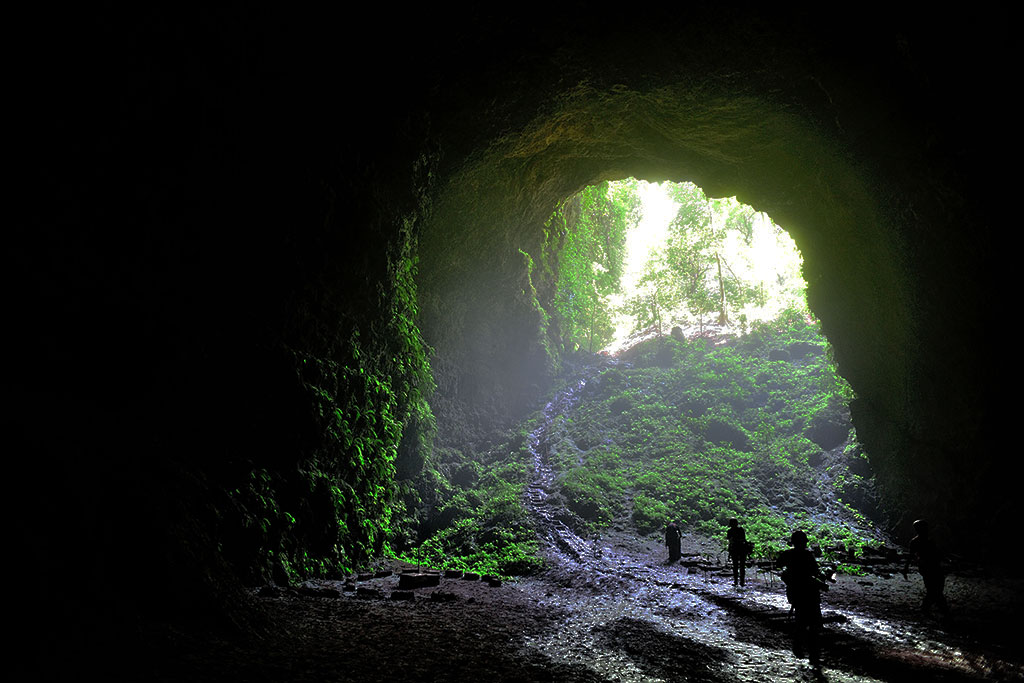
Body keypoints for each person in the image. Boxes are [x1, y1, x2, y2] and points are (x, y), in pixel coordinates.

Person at [777, 530, 825, 659]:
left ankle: (799, 646)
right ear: (804, 542)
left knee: (800, 618)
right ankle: (813, 648)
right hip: (809, 590)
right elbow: (815, 571)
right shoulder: (808, 555)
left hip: (796, 590)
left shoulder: (787, 554)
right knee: (814, 618)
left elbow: (778, 564)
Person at [902, 519, 949, 614]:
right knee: (935, 589)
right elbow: (911, 556)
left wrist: (906, 568)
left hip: (930, 566)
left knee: (935, 589)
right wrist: (906, 568)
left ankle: (928, 608)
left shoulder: (922, 541)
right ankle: (937, 609)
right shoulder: (924, 541)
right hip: (929, 567)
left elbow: (911, 556)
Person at [726, 518, 749, 586]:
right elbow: (744, 539)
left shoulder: (730, 531)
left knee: (736, 566)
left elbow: (730, 542)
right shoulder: (740, 530)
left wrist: (729, 550)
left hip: (735, 549)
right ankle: (741, 582)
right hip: (741, 549)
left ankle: (737, 581)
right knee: (741, 566)